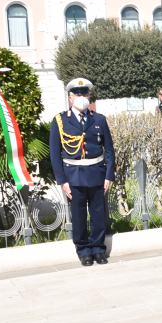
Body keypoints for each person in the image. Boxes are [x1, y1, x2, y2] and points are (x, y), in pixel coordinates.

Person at [49, 78, 115, 266]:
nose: (81, 97)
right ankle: (83, 250)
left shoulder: (99, 119)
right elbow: (55, 154)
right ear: (70, 98)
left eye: (84, 93)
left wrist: (109, 175)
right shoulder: (60, 121)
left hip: (97, 173)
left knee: (98, 214)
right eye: (77, 94)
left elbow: (109, 150)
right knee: (78, 216)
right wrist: (62, 181)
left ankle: (98, 249)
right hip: (73, 175)